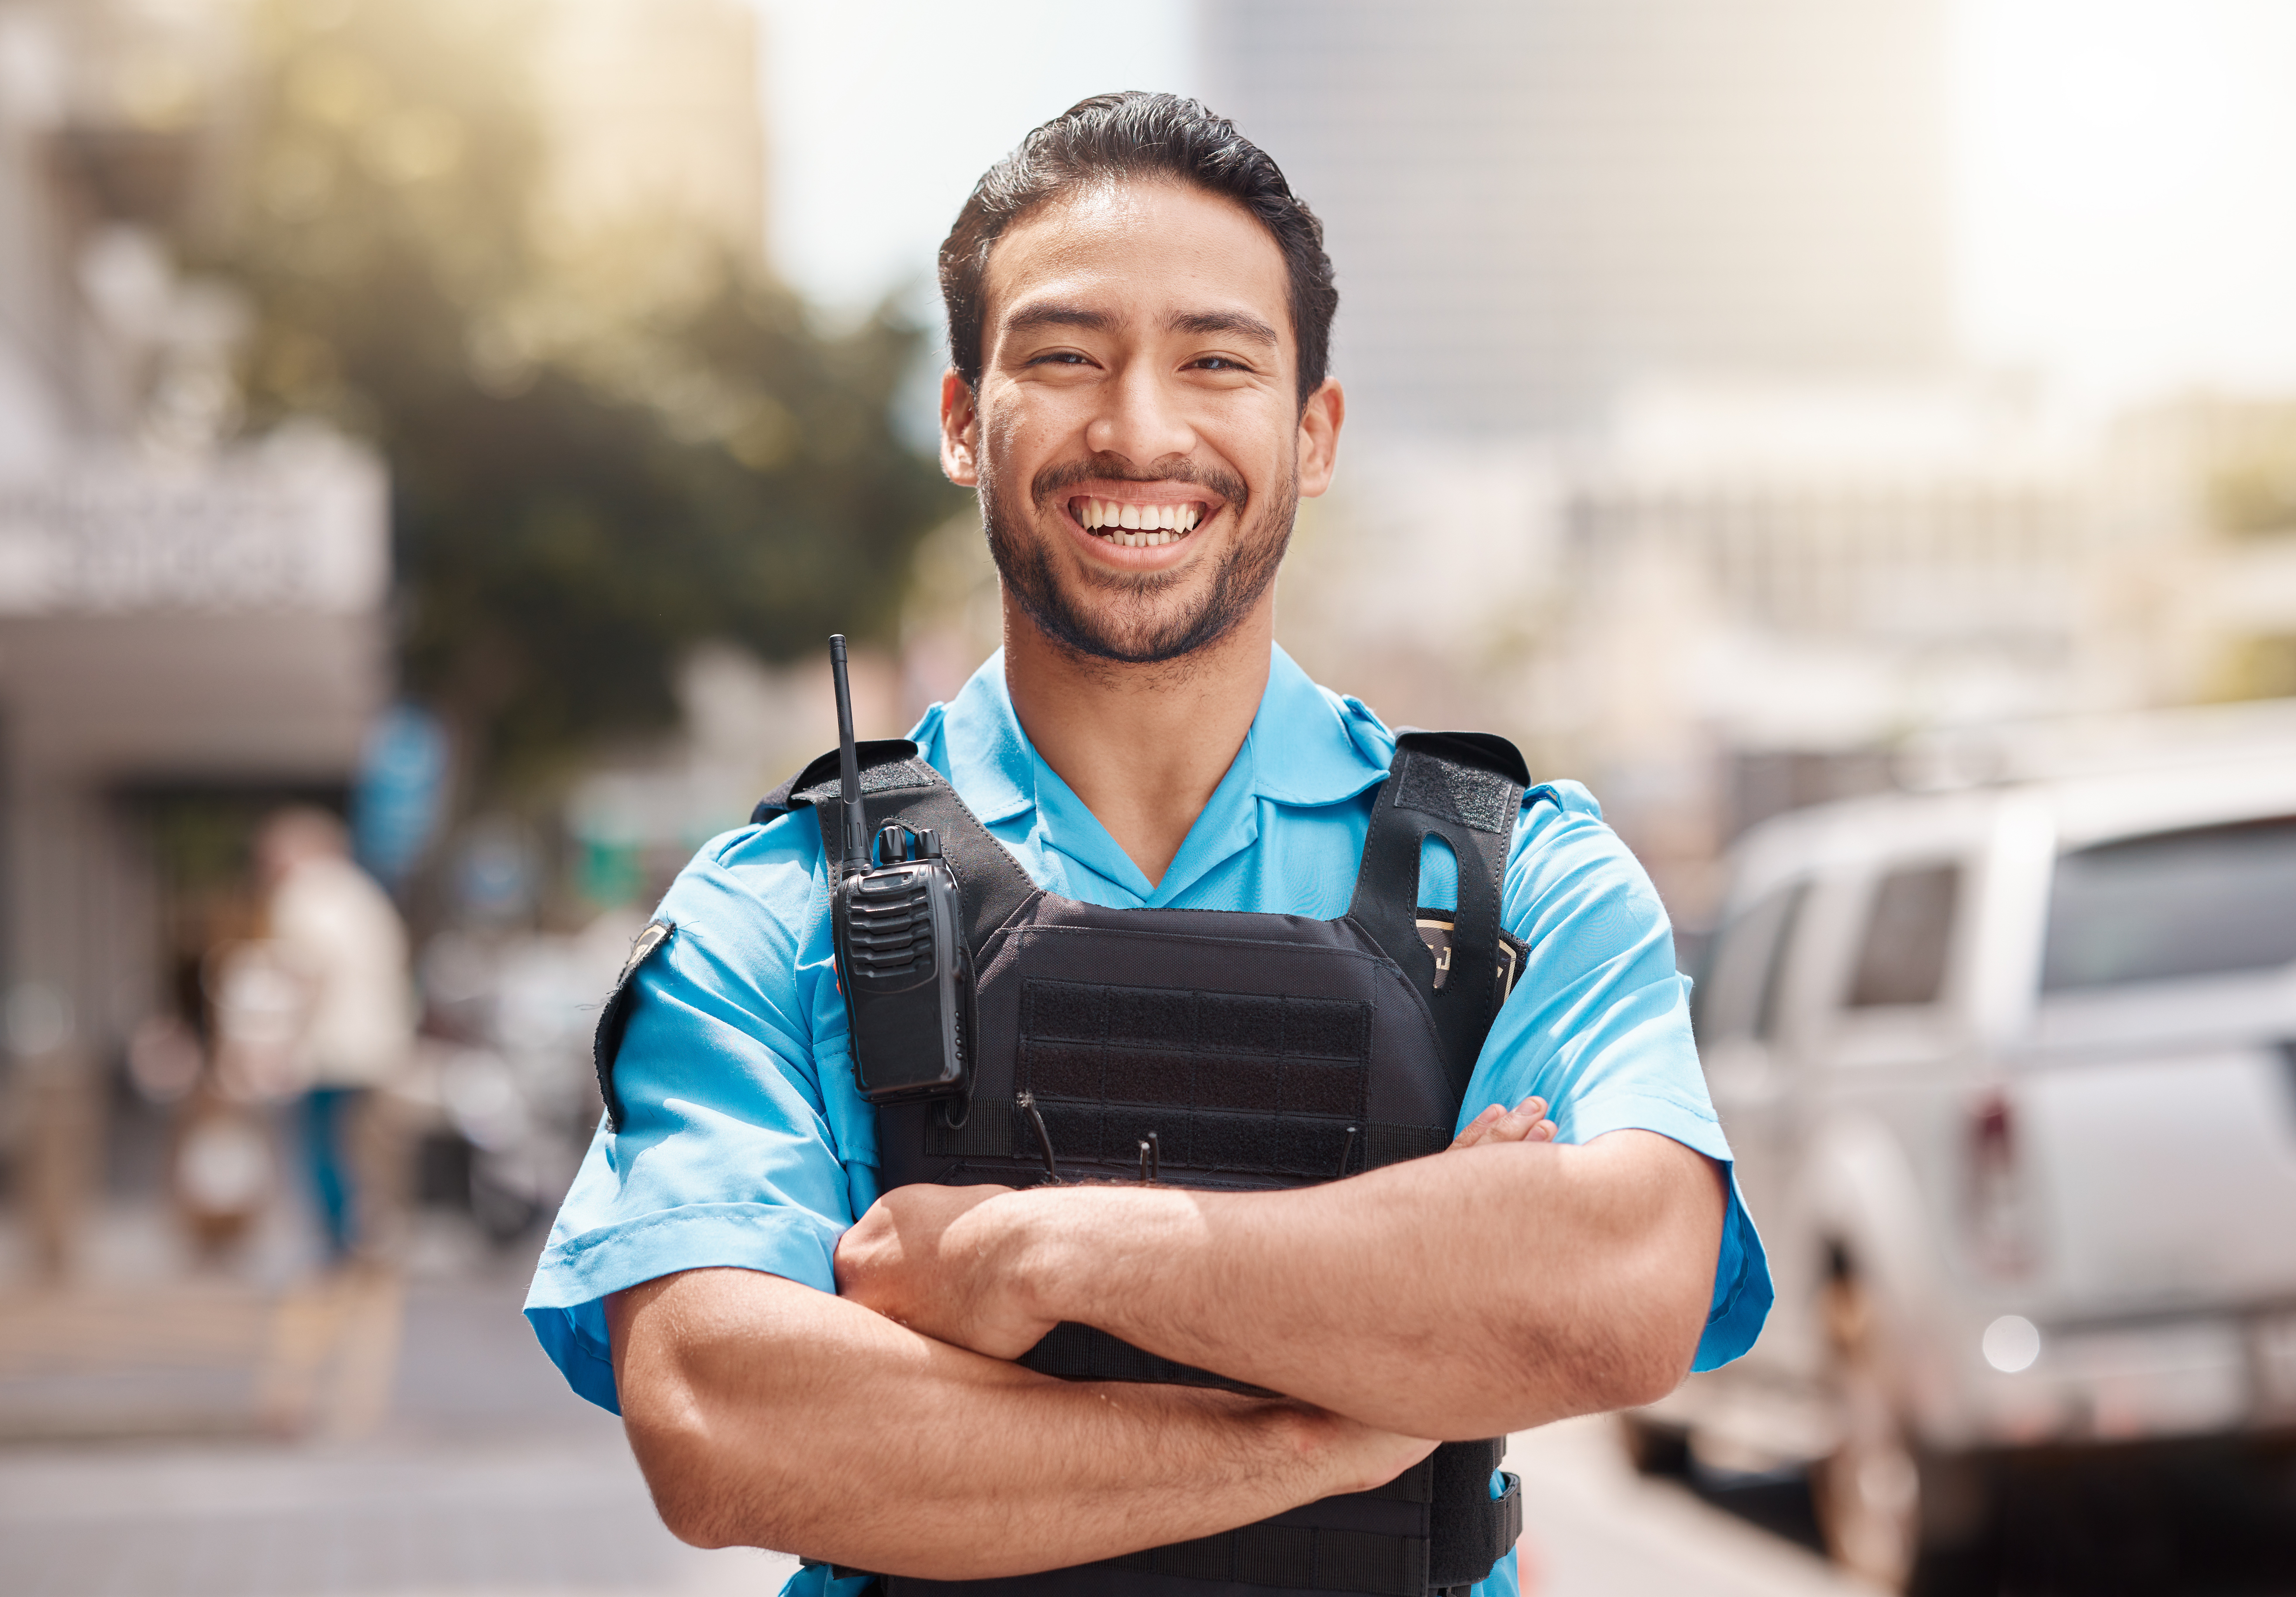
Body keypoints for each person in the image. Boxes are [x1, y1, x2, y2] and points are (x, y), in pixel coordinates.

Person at [526, 93, 1771, 1597]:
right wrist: (1339, 1423)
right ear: (962, 420)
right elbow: (726, 1419)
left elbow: (1621, 1293)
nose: (1140, 429)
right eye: (1063, 356)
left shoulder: (1515, 883)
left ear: (1312, 433)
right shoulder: (776, 905)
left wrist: (1028, 1261)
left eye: (1217, 361)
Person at [252, 805, 416, 1265]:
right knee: (367, 1146)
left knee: (322, 1144)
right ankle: (376, 1229)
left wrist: (279, 1044)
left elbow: (308, 976)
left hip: (330, 1045)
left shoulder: (302, 894)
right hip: (380, 1040)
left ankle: (339, 1238)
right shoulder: (363, 892)